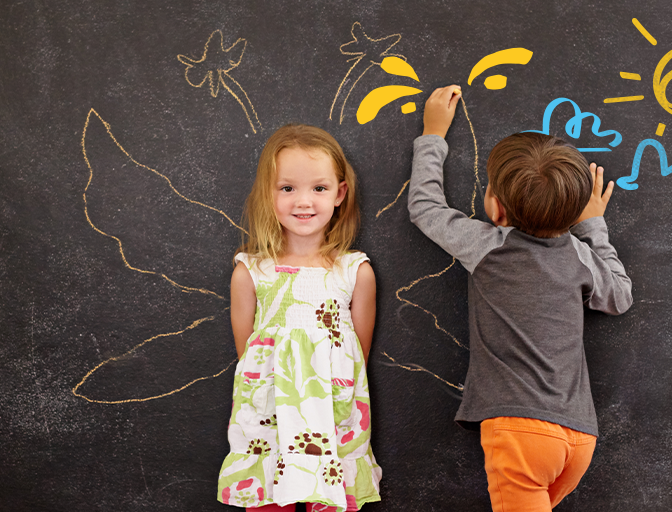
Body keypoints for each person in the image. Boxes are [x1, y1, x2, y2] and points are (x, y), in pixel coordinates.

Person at [408, 86, 633, 511]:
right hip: (580, 436)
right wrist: (594, 226)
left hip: (520, 432)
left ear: (496, 210)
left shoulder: (488, 247)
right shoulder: (581, 256)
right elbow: (619, 296)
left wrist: (433, 133)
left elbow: (424, 207)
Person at [217, 124, 381, 512]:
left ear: (340, 193)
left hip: (333, 408)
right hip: (268, 414)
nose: (303, 201)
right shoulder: (250, 271)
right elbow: (248, 353)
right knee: (270, 500)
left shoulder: (354, 271)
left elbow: (358, 352)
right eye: (287, 188)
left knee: (332, 496)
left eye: (319, 188)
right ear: (267, 194)